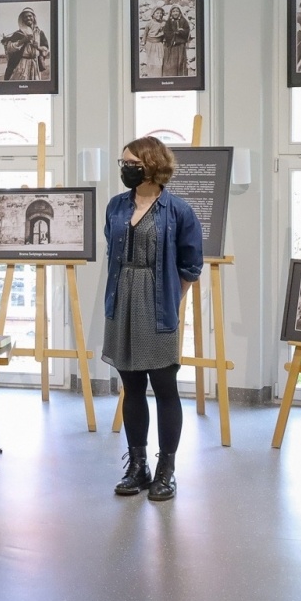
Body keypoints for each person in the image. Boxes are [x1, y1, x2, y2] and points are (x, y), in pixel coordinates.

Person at [102, 136, 203, 502]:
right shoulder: (115, 206)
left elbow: (191, 264)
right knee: (131, 388)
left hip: (157, 304)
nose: (125, 168)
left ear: (150, 164)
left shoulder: (178, 211)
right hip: (121, 301)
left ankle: (166, 470)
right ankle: (138, 466)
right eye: (123, 162)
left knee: (164, 387)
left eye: (131, 162)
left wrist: (171, 299)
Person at [0, 7, 51, 83]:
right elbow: (9, 48)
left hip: (35, 64)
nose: (28, 18)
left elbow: (46, 49)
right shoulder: (18, 33)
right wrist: (23, 41)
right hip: (21, 65)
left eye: (30, 16)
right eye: (25, 17)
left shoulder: (39, 33)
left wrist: (38, 47)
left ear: (34, 17)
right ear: (22, 19)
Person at [160, 5, 192, 77]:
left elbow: (187, 31)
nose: (175, 13)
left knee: (180, 62)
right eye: (173, 11)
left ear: (180, 12)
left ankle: (180, 77)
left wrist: (181, 32)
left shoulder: (183, 21)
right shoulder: (168, 22)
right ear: (171, 13)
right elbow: (166, 32)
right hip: (171, 46)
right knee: (170, 64)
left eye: (177, 11)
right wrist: (175, 34)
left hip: (180, 46)